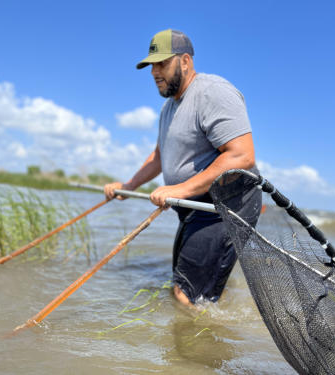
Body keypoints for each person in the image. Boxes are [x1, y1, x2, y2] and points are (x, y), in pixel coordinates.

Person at [104, 29, 262, 307]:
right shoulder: (168, 108)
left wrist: (179, 189)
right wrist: (128, 187)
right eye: (151, 65)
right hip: (193, 207)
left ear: (185, 61)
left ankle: (205, 348)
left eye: (162, 63)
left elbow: (241, 156)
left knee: (185, 295)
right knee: (183, 285)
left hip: (224, 207)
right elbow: (159, 157)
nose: (154, 71)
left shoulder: (213, 93)